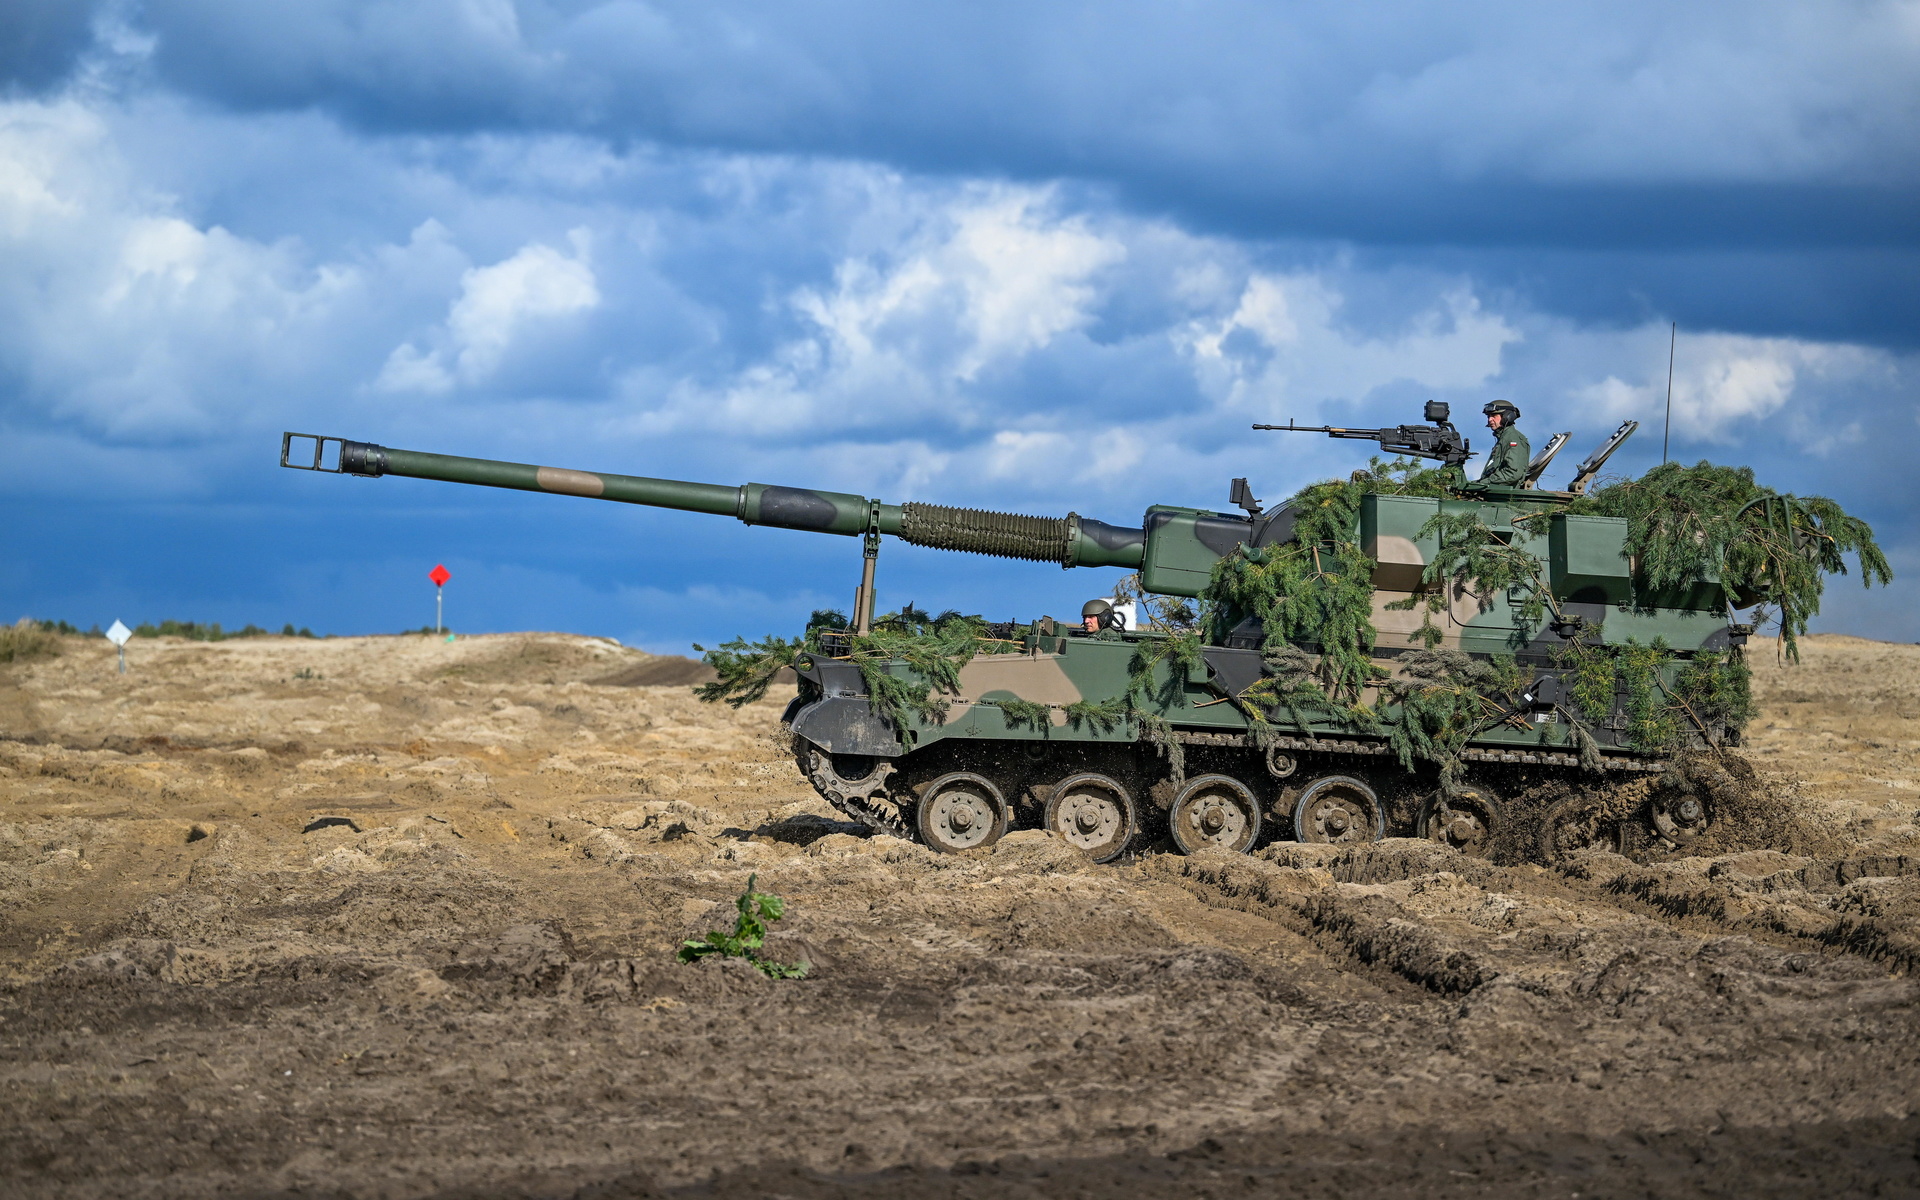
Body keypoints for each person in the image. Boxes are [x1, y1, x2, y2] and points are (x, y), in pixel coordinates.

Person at [1474, 400, 1530, 487]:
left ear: (1507, 417)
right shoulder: (1503, 438)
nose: (1490, 419)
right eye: (1488, 416)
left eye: (1494, 416)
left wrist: (1483, 483)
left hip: (1503, 496)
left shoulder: (1514, 439)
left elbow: (1513, 473)